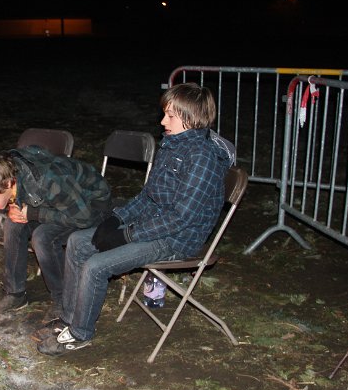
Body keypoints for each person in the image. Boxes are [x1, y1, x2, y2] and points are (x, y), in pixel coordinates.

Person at [36, 82, 236, 356]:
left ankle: (81, 333)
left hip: (177, 239)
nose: (162, 120)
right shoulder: (174, 144)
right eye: (164, 113)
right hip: (155, 225)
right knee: (77, 242)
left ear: (191, 119)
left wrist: (128, 234)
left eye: (170, 116)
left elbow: (180, 218)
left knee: (96, 266)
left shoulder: (203, 159)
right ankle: (70, 319)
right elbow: (148, 197)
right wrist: (116, 219)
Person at [0, 145, 112, 313]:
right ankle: (15, 294)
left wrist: (34, 213)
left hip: (92, 208)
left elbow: (84, 217)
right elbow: (21, 195)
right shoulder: (7, 169)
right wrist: (14, 206)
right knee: (13, 223)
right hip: (57, 205)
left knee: (42, 237)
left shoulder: (49, 181)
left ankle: (66, 300)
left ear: (8, 183)